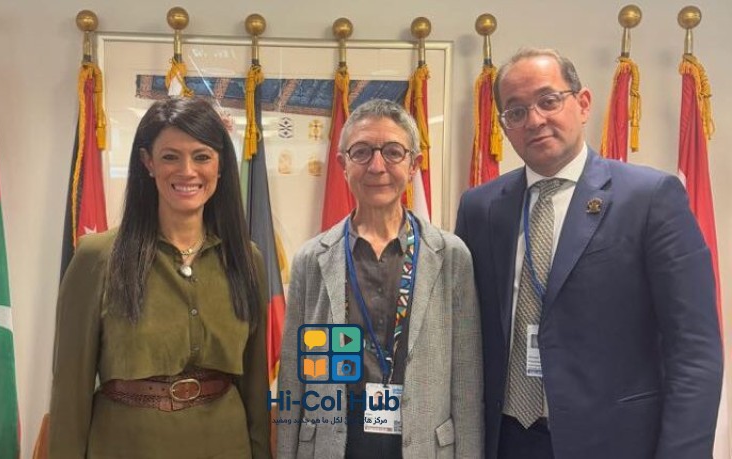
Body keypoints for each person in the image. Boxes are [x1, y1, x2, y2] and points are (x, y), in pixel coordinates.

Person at [455, 47, 723, 459]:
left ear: (582, 104)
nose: (535, 120)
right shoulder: (480, 207)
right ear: (505, 126)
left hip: (613, 443)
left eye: (548, 101)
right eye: (516, 111)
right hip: (506, 440)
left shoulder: (650, 198)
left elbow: (695, 350)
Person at [49, 98, 270, 458]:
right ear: (147, 162)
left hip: (226, 445)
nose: (187, 171)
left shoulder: (246, 259)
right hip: (125, 446)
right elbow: (69, 391)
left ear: (220, 166)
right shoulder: (97, 257)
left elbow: (256, 384)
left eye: (202, 156)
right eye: (170, 156)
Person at [278, 99, 483, 458]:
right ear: (343, 165)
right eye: (361, 152)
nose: (377, 166)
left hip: (423, 446)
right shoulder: (312, 260)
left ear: (413, 163)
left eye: (392, 152)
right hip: (333, 444)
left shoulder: (451, 257)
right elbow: (294, 378)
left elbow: (466, 381)